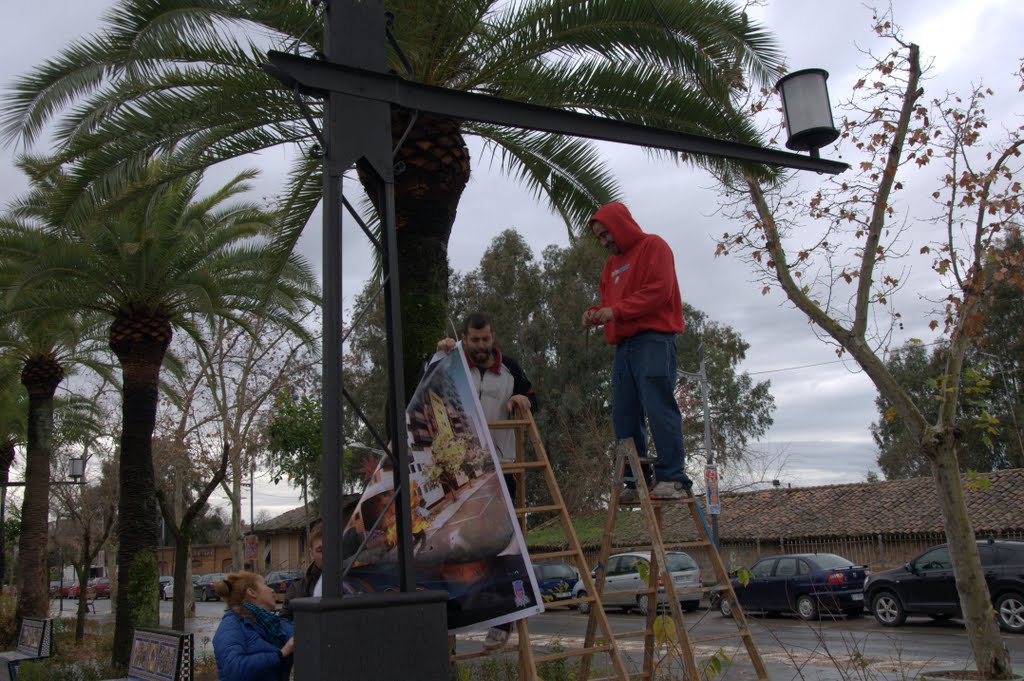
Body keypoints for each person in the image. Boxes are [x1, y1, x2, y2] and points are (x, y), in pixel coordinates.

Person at [431, 311, 537, 650]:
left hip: (502, 469)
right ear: (464, 338)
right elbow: (425, 386)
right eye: (474, 340)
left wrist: (524, 399)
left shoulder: (510, 369)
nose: (480, 346)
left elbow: (535, 397)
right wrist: (438, 353)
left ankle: (503, 622)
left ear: (493, 337)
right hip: (457, 474)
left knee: (502, 547)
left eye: (485, 340)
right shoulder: (450, 362)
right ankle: (450, 620)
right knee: (451, 547)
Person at [581, 202, 693, 502]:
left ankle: (673, 478)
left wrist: (615, 311)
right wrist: (595, 313)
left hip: (654, 339)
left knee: (658, 405)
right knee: (624, 413)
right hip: (624, 346)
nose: (605, 242)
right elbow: (609, 302)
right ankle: (635, 480)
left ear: (621, 225)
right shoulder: (611, 266)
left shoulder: (653, 246)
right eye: (600, 238)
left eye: (607, 234)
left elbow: (660, 290)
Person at [212, 571, 294, 681]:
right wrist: (280, 654)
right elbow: (233, 669)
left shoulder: (276, 624)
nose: (272, 590)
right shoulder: (232, 624)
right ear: (252, 592)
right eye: (265, 584)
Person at [280, 522, 322, 621]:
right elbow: (284, 624)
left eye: (331, 548)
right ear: (311, 554)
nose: (327, 554)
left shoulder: (352, 583)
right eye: (320, 550)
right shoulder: (297, 589)